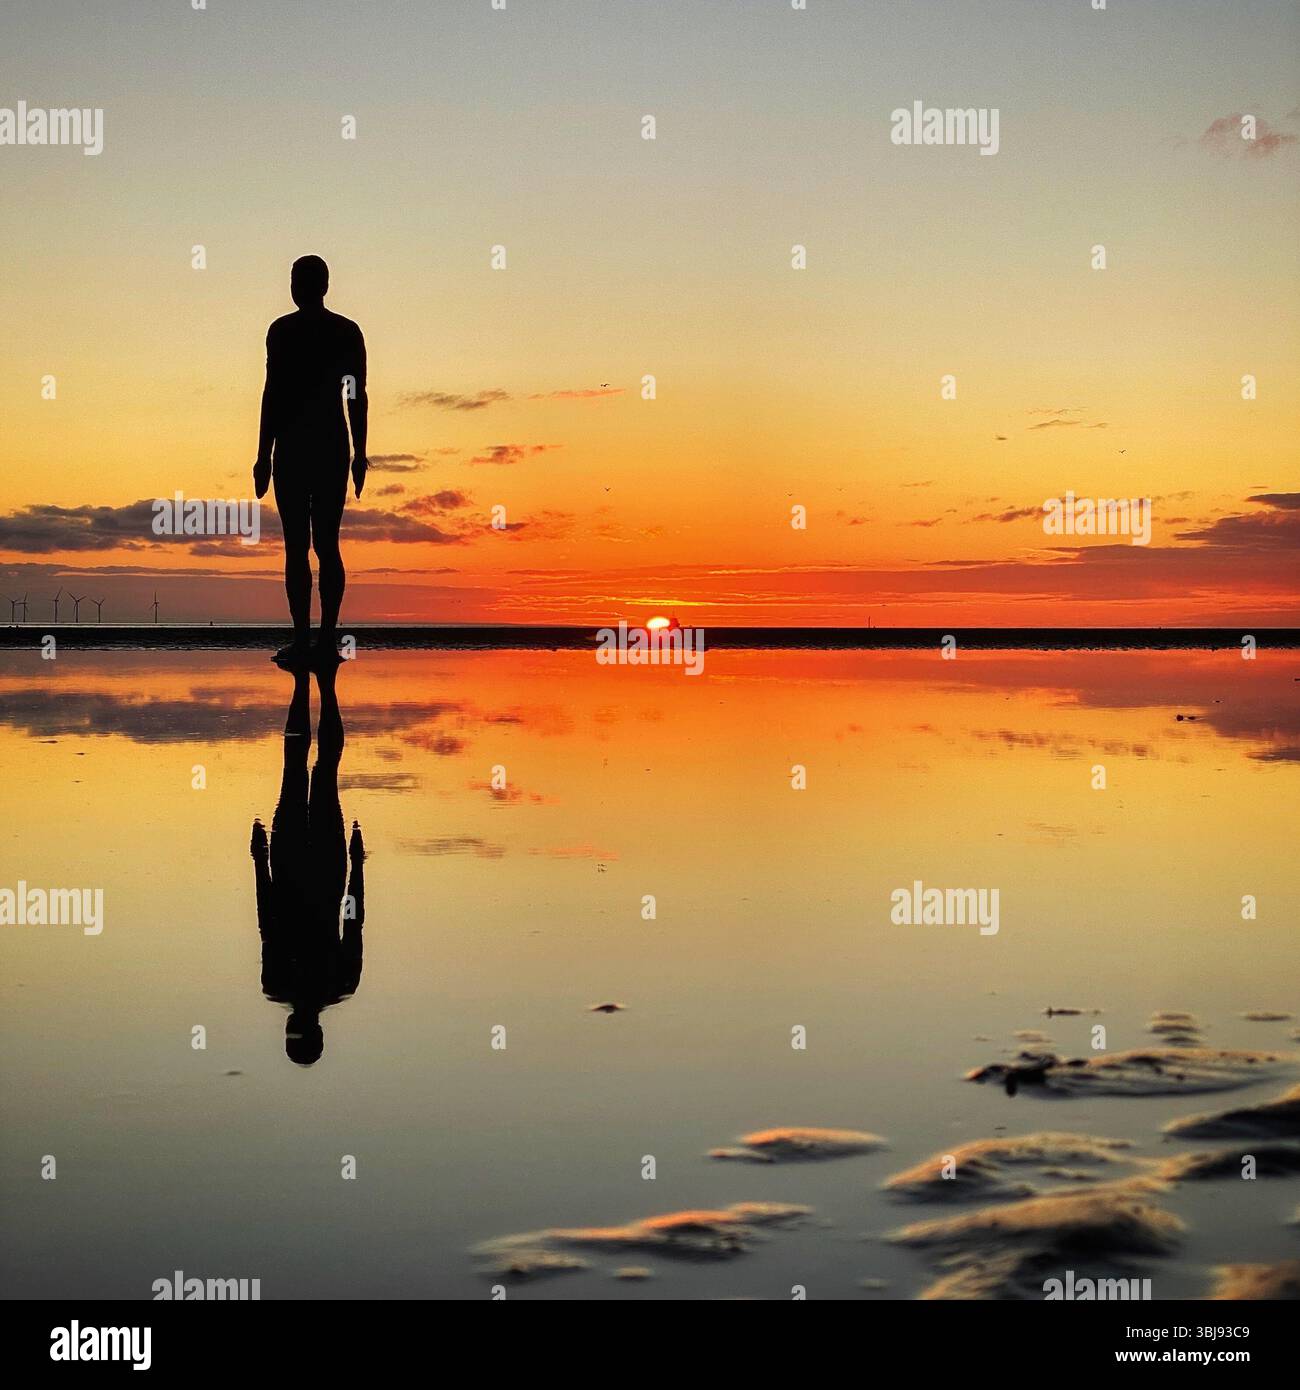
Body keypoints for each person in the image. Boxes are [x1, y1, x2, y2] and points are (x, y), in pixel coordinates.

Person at [254, 255, 368, 667]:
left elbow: (353, 395)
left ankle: (316, 639)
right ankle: (313, 639)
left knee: (310, 545)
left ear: (317, 285)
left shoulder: (296, 331)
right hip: (316, 447)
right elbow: (274, 393)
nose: (294, 286)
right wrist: (263, 455)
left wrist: (361, 454)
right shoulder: (331, 331)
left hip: (308, 447)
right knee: (313, 545)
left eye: (298, 280)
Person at [250, 664, 365, 1066]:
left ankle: (319, 683)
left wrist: (356, 865)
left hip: (324, 870)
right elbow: (268, 920)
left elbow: (353, 919)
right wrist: (259, 861)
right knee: (300, 769)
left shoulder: (339, 984)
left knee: (320, 769)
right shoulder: (280, 984)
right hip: (295, 865)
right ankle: (309, 681)